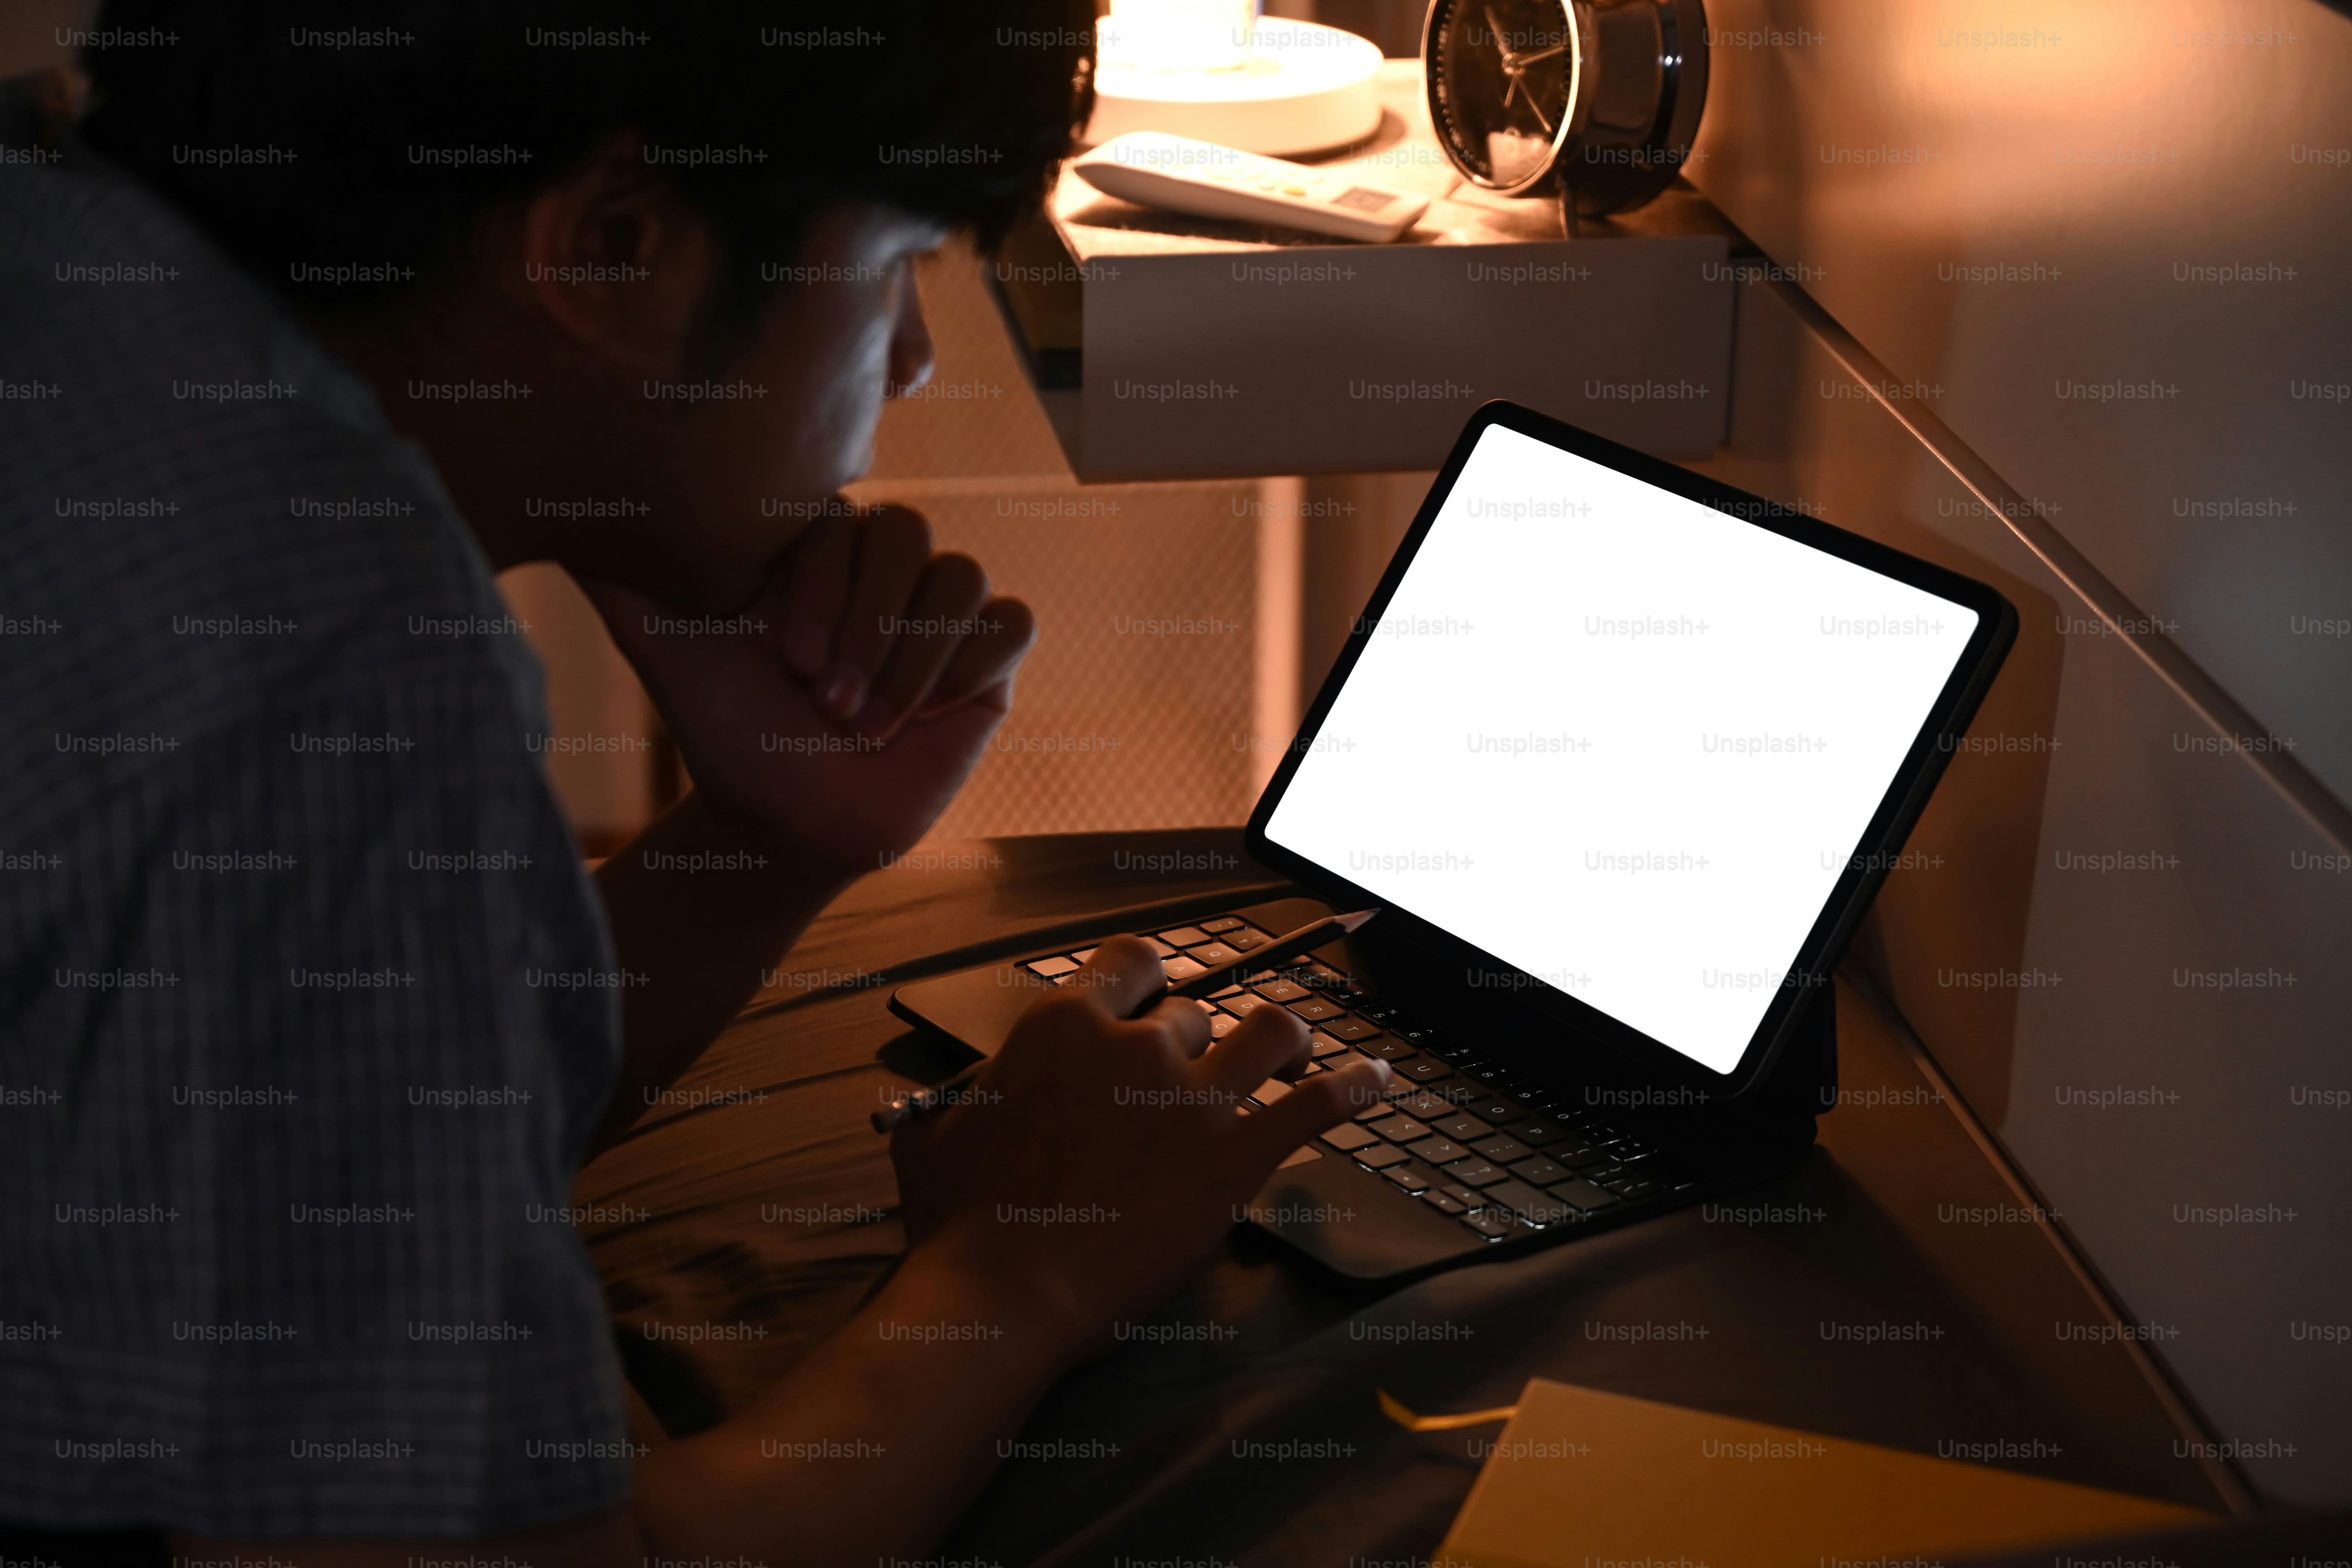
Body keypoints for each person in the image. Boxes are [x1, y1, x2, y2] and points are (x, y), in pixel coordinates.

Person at [0, 5, 1394, 1565]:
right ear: (615, 251)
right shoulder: (326, 674)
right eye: (890, 276)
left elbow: (275, 1142)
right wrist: (1018, 1277)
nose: (918, 362)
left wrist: (761, 842)